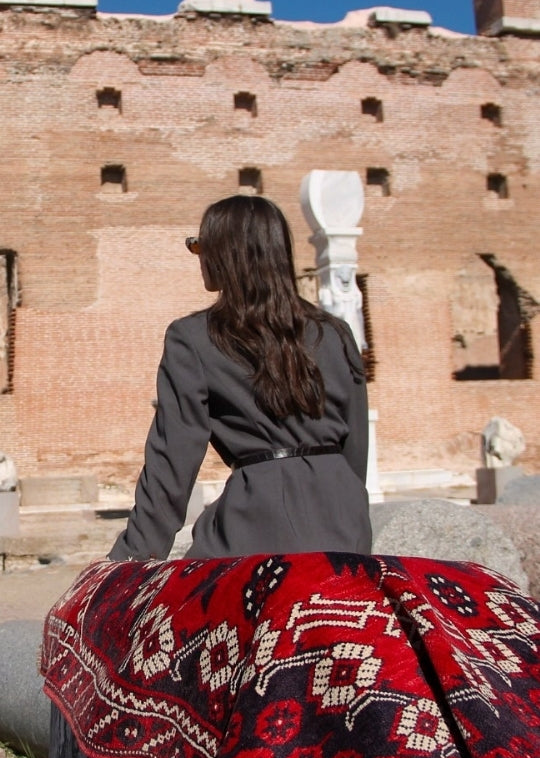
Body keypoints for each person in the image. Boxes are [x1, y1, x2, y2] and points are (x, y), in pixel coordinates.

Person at [109, 195, 372, 561]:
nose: (197, 256)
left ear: (223, 254)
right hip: (345, 520)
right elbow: (355, 447)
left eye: (199, 245)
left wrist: (131, 560)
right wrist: (346, 510)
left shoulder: (193, 338)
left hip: (256, 522)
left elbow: (173, 458)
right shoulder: (337, 333)